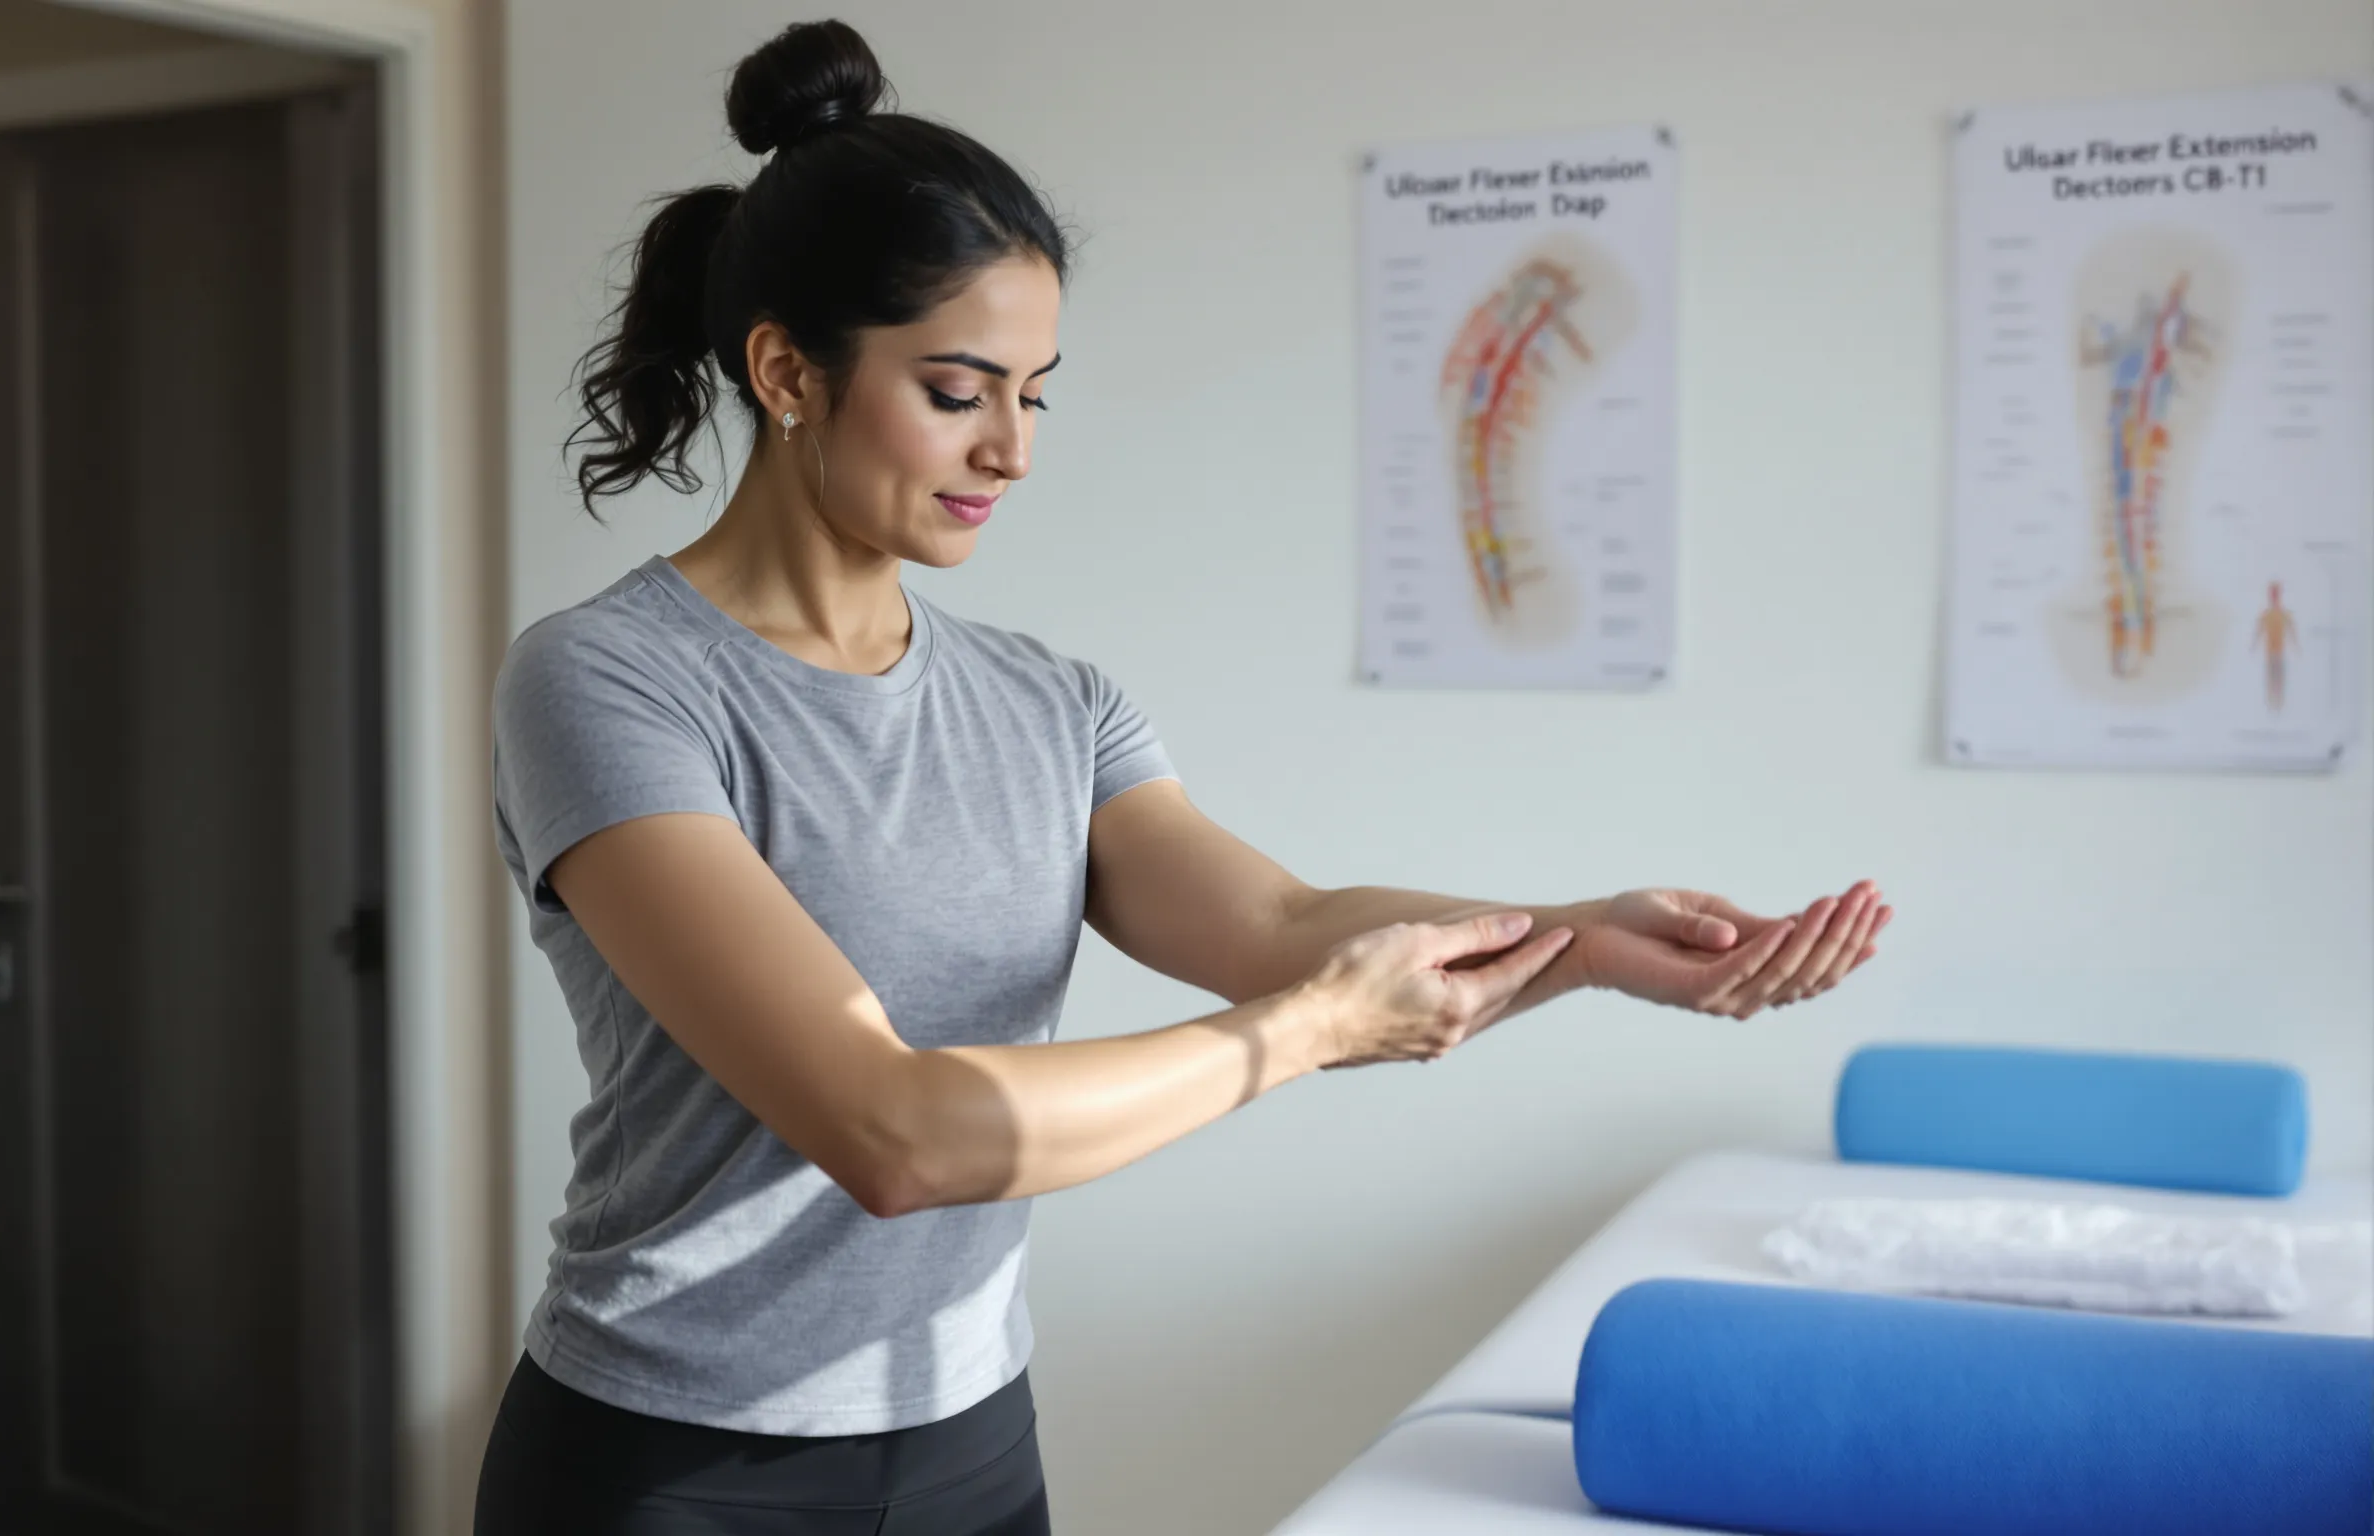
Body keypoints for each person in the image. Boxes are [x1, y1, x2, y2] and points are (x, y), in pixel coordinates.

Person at [474, 21, 1889, 1534]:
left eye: (1038, 391)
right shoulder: (606, 683)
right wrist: (1307, 1035)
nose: (1012, 449)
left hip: (967, 1439)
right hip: (674, 1466)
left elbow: (1281, 925)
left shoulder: (1049, 701)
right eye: (959, 390)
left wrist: (1589, 938)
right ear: (787, 372)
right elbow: (892, 1130)